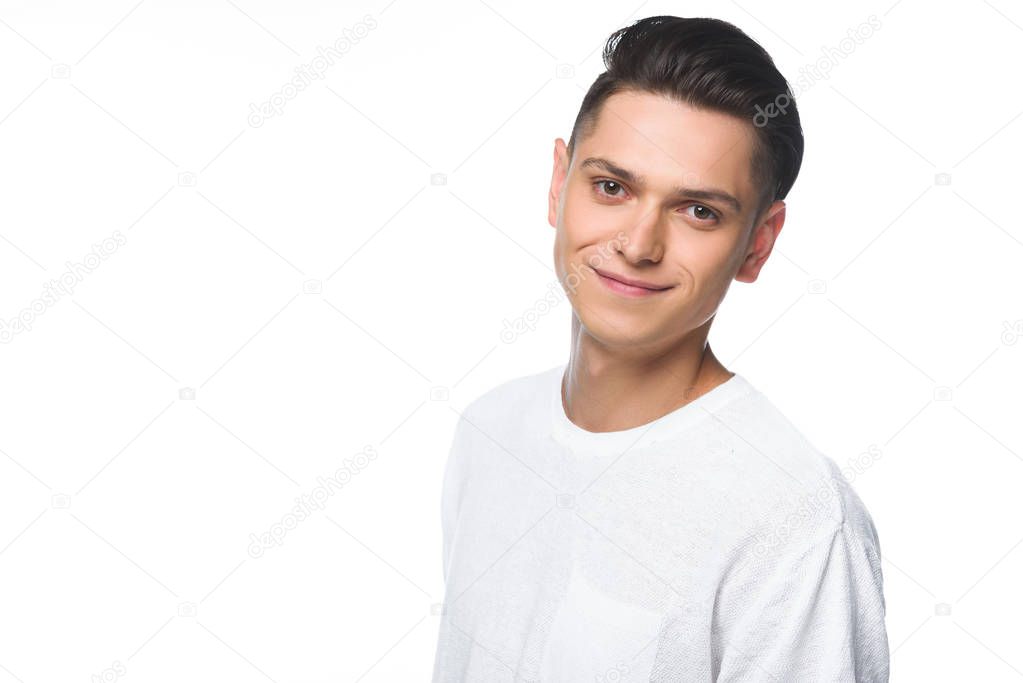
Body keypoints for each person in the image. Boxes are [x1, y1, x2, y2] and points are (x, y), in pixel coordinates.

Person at [432, 15, 889, 682]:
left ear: (757, 244)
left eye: (697, 210)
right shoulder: (490, 430)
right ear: (559, 183)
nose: (638, 244)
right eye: (611, 186)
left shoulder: (794, 519)